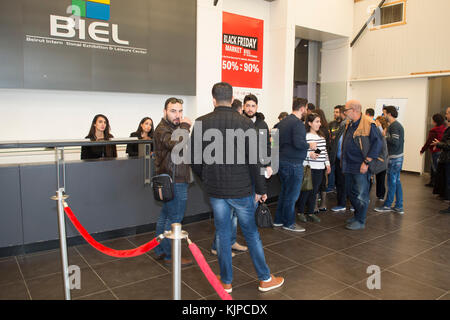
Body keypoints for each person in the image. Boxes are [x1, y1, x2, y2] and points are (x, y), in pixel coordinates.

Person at [190, 82, 284, 293]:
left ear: (213, 99)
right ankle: (265, 278)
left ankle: (226, 281)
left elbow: (194, 161)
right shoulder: (244, 123)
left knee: (223, 235)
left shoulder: (200, 122)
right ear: (232, 100)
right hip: (241, 190)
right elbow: (254, 161)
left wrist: (207, 179)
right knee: (251, 234)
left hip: (215, 191)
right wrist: (261, 189)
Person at [153, 97, 193, 267]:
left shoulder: (173, 128)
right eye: (173, 111)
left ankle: (161, 250)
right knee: (175, 218)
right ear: (165, 112)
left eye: (180, 111)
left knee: (166, 216)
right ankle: (171, 255)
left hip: (172, 178)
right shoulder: (163, 129)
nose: (178, 115)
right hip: (174, 179)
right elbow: (174, 145)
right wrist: (185, 126)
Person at [211, 97, 248, 257]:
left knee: (232, 217)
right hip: (225, 182)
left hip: (235, 181)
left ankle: (231, 241)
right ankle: (217, 247)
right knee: (224, 220)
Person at [273, 98, 316, 232]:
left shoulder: (282, 122)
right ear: (303, 108)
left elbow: (275, 142)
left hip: (282, 162)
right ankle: (289, 223)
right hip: (294, 164)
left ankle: (279, 220)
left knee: (285, 193)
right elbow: (298, 143)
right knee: (292, 196)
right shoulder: (297, 124)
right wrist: (309, 145)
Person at [342, 100, 382, 230]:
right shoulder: (350, 123)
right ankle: (357, 215)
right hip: (348, 164)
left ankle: (361, 220)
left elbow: (377, 144)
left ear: (354, 110)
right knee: (350, 191)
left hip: (361, 165)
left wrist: (366, 162)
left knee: (361, 194)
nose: (344, 112)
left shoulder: (369, 124)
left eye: (346, 110)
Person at [296, 113, 331, 223]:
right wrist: (309, 155)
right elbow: (301, 151)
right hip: (308, 168)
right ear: (310, 123)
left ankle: (311, 212)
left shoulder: (321, 137)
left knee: (315, 191)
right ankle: (300, 212)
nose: (319, 124)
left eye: (319, 121)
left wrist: (327, 164)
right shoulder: (305, 136)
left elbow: (323, 151)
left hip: (320, 168)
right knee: (306, 190)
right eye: (316, 121)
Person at [375, 106, 405, 214]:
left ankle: (387, 205)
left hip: (394, 158)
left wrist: (385, 135)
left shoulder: (394, 126)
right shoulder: (394, 126)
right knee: (396, 182)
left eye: (384, 114)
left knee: (392, 182)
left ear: (389, 114)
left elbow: (395, 142)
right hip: (397, 157)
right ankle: (399, 206)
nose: (384, 116)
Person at [243, 94, 273, 177]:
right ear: (243, 107)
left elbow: (267, 145)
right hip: (242, 168)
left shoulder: (262, 124)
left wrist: (268, 164)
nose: (250, 109)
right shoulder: (238, 122)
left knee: (257, 189)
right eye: (248, 106)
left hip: (258, 166)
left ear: (257, 107)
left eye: (253, 106)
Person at [431, 107, 450, 214]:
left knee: (448, 181)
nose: (446, 116)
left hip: (448, 159)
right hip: (445, 158)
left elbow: (448, 145)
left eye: (447, 113)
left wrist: (438, 143)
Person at [420, 113, 446, 187]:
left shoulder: (433, 131)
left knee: (435, 168)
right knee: (435, 168)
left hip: (436, 151)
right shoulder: (444, 129)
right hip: (442, 150)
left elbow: (429, 142)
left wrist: (422, 150)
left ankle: (436, 184)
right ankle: (433, 182)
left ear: (435, 121)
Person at [314, 108, 331, 212]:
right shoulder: (326, 129)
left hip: (318, 160)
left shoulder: (320, 131)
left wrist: (315, 153)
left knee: (316, 183)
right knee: (322, 183)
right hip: (324, 159)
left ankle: (315, 205)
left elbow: (321, 147)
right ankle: (323, 204)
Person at [327, 105, 345, 192]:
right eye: (334, 112)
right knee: (331, 172)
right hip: (332, 152)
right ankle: (330, 187)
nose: (335, 114)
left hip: (340, 154)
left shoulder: (344, 125)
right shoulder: (331, 124)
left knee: (339, 174)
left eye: (337, 112)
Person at [372, 116, 389, 201]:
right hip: (379, 159)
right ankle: (380, 195)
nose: (375, 123)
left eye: (377, 122)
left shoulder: (381, 134)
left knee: (381, 179)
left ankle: (381, 195)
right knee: (377, 178)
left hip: (381, 160)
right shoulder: (378, 133)